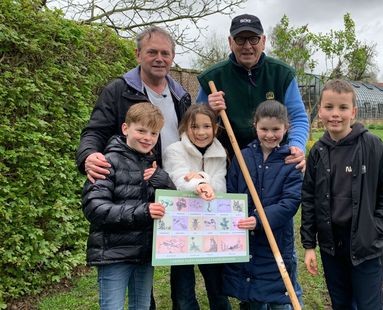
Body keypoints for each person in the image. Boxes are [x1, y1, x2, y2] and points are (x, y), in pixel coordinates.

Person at [300, 79, 383, 309]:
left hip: (366, 246)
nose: (335, 114)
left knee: (369, 305)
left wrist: (376, 229)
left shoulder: (372, 146)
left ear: (353, 112)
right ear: (320, 111)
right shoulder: (317, 151)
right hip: (331, 246)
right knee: (341, 303)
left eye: (343, 108)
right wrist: (309, 245)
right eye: (329, 107)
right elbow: (308, 199)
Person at [82, 102, 175, 309]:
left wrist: (164, 181)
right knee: (112, 306)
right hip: (114, 254)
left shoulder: (153, 165)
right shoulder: (106, 162)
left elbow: (173, 205)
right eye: (141, 130)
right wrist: (143, 211)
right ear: (125, 129)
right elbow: (95, 209)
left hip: (144, 253)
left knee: (141, 306)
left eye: (154, 133)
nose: (147, 138)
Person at [76, 26, 191, 183]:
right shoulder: (118, 90)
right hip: (133, 186)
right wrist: (88, 155)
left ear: (172, 57)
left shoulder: (182, 96)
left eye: (165, 53)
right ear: (138, 55)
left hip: (174, 184)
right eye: (152, 52)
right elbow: (96, 131)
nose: (159, 58)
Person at [196, 13, 309, 170]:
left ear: (263, 41)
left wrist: (296, 147)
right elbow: (195, 125)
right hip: (228, 164)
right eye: (240, 39)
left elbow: (297, 118)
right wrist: (209, 112)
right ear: (230, 42)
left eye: (253, 39)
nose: (247, 46)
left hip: (275, 161)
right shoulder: (212, 79)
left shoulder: (282, 74)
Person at [225, 100, 303, 309]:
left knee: (279, 294)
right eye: (264, 129)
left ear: (286, 128)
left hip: (275, 239)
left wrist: (259, 219)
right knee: (252, 296)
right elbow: (231, 193)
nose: (270, 135)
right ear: (255, 126)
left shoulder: (290, 161)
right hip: (247, 239)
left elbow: (291, 202)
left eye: (276, 129)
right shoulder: (243, 157)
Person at [162, 104, 231, 309]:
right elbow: (178, 179)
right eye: (194, 126)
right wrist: (200, 185)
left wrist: (203, 177)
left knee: (216, 283)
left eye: (206, 126)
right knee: (183, 286)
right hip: (181, 226)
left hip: (210, 225)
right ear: (185, 128)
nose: (201, 132)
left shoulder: (220, 152)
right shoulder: (174, 150)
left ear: (215, 129)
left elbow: (221, 187)